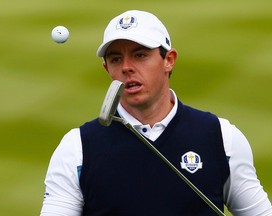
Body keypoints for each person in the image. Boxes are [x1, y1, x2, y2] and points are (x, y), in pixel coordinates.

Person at [40, 10, 272, 216]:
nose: (126, 67)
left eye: (140, 55)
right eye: (115, 59)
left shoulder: (221, 137)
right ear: (106, 68)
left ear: (168, 60)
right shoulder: (77, 147)